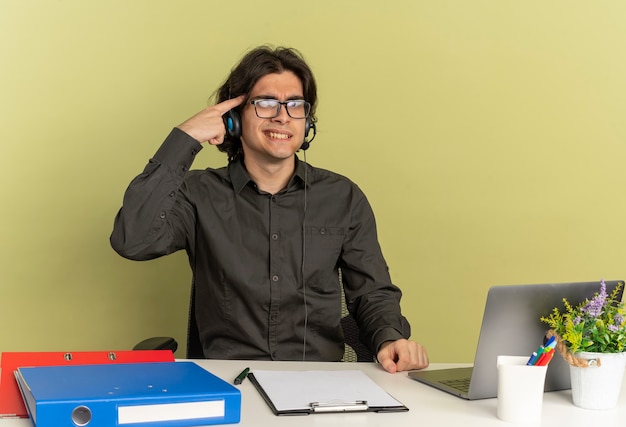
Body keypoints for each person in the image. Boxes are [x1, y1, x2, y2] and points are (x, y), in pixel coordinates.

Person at [110, 45, 428, 373]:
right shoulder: (198, 193)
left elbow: (372, 292)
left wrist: (390, 338)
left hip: (320, 386)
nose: (282, 116)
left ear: (307, 122)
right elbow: (132, 240)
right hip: (230, 384)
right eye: (265, 103)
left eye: (295, 105)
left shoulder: (342, 197)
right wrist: (185, 137)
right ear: (233, 118)